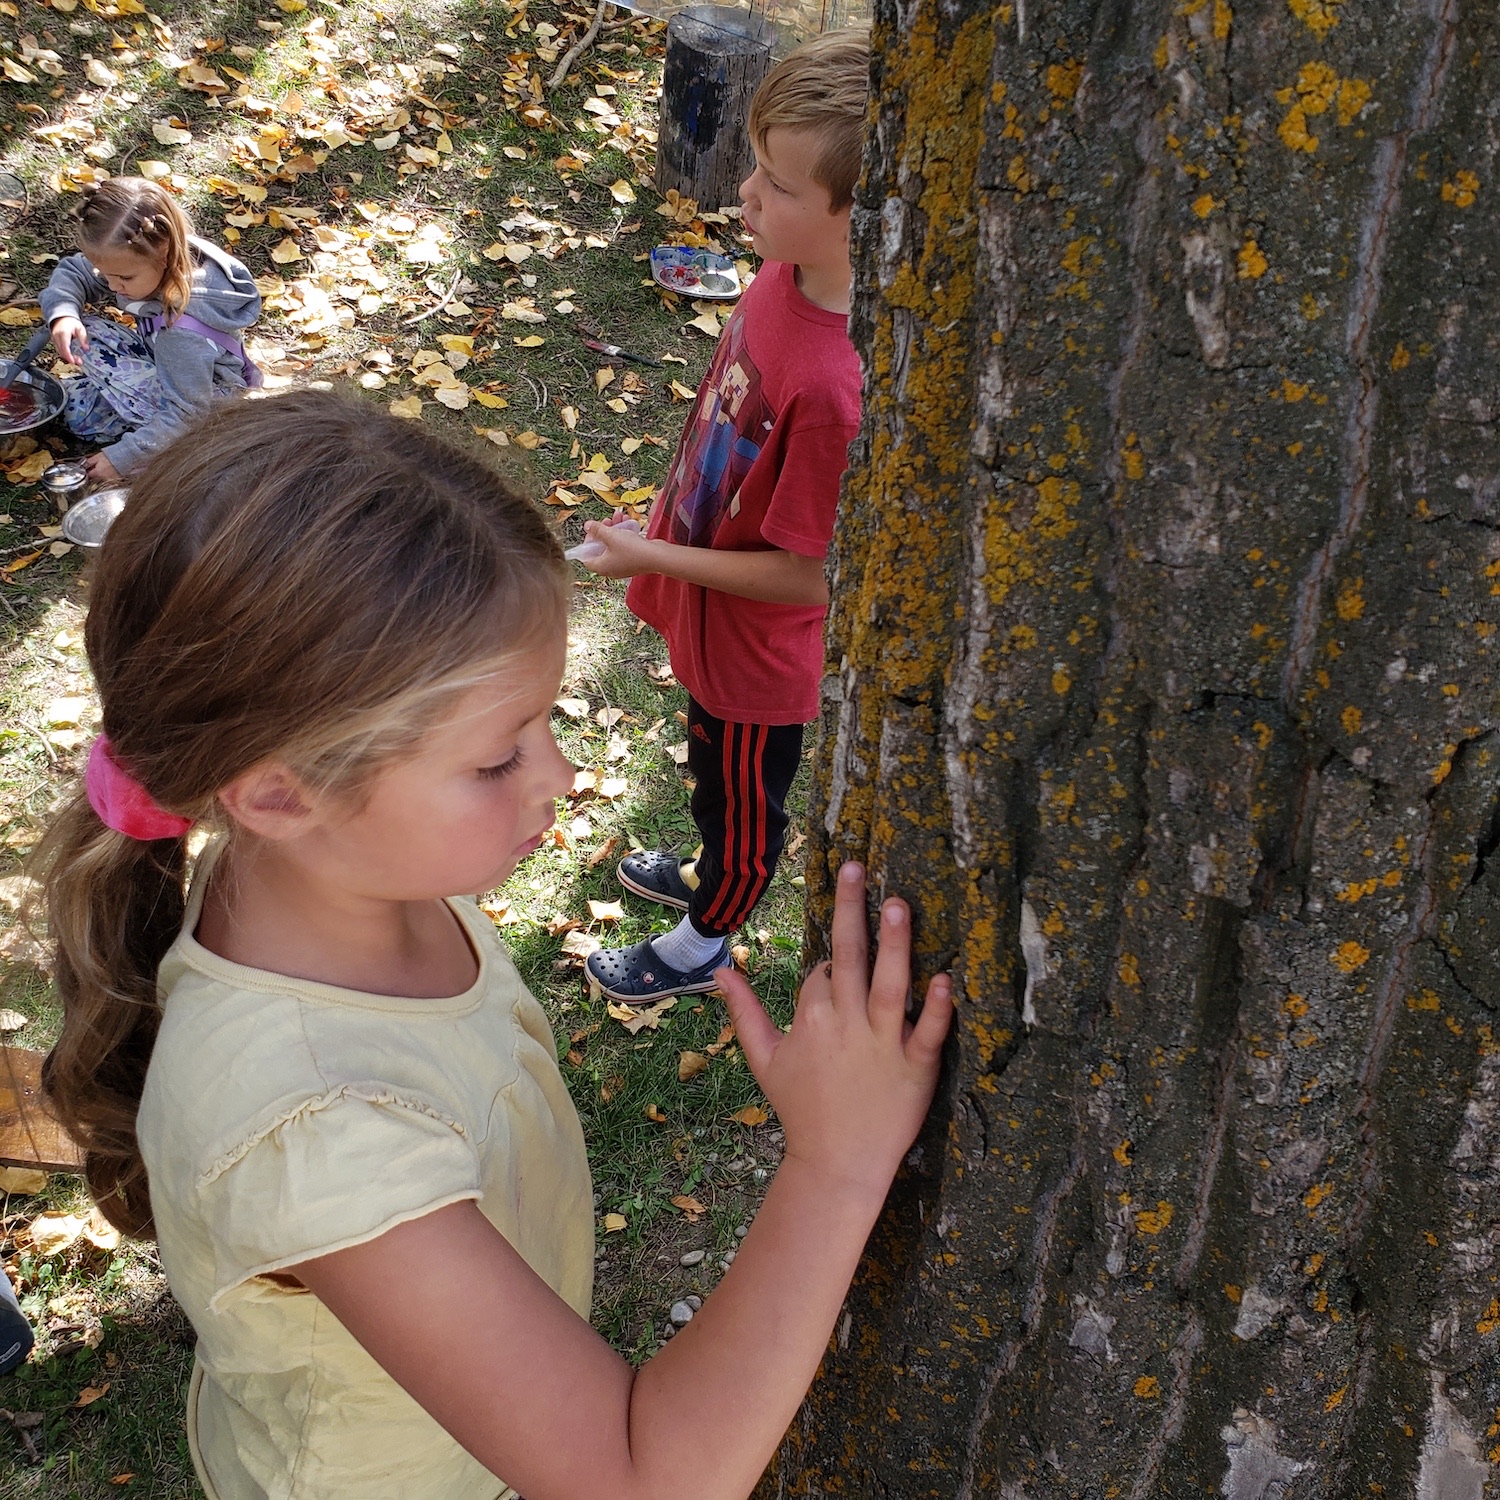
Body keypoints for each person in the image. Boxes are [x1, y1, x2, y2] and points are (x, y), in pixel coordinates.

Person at [29, 390, 952, 1500]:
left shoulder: (345, 886)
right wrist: (837, 1166)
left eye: (544, 724)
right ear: (277, 793)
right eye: (496, 759)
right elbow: (644, 1481)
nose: (559, 775)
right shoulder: (317, 1131)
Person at [578, 32, 869, 1003]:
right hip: (706, 602)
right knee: (711, 777)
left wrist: (659, 555)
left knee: (741, 808)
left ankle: (706, 938)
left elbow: (809, 573)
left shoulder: (836, 388)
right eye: (755, 166)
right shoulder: (783, 274)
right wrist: (665, 528)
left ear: (864, 215)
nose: (746, 194)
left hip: (758, 658)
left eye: (778, 186)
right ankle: (708, 870)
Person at [39, 176, 261, 487]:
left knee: (85, 348)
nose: (112, 285)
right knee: (77, 411)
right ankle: (151, 433)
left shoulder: (181, 333)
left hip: (210, 411)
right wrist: (63, 313)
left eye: (124, 279)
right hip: (173, 372)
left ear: (164, 252)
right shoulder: (152, 256)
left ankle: (173, 452)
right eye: (106, 275)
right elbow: (77, 272)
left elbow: (189, 412)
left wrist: (123, 457)